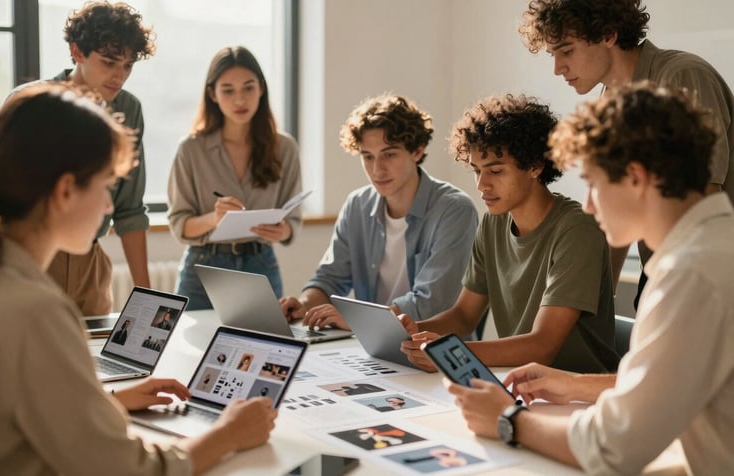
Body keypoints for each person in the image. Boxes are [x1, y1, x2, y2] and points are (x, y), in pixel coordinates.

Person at [0, 83, 277, 474]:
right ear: (65, 191)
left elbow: (14, 416)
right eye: (106, 186)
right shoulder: (35, 309)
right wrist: (229, 434)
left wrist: (104, 403)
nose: (109, 205)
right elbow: (127, 470)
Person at [445, 83, 734, 475]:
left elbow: (613, 449)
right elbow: (672, 388)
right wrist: (576, 384)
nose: (589, 204)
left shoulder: (691, 275)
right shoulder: (713, 246)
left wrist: (509, 420)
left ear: (636, 177)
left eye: (594, 184)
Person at [519, 0, 734, 305]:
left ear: (608, 34)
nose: (558, 69)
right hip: (666, 266)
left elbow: (702, 195)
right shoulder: (612, 99)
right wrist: (598, 301)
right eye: (553, 55)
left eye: (566, 51)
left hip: (704, 272)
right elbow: (616, 210)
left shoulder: (681, 76)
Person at [400, 94, 619, 373]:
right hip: (519, 382)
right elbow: (464, 315)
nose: (481, 185)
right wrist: (411, 333)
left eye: (495, 171)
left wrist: (449, 352)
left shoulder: (577, 230)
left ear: (535, 167)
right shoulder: (493, 223)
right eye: (476, 171)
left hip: (577, 393)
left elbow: (543, 346)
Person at [279, 94, 478, 330]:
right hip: (371, 347)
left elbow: (432, 302)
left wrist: (359, 320)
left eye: (389, 154)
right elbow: (330, 279)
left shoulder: (455, 210)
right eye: (367, 157)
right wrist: (304, 304)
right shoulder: (357, 205)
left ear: (417, 150)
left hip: (431, 351)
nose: (377, 169)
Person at [10, 1, 155, 316]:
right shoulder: (30, 103)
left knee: (94, 362)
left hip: (89, 263)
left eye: (128, 65)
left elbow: (129, 208)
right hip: (33, 258)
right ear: (77, 52)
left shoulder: (128, 111)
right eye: (108, 62)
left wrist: (146, 299)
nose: (119, 76)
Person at [168, 46, 302, 310]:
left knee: (266, 348)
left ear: (261, 88)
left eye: (248, 88)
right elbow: (179, 225)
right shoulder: (191, 149)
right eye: (228, 90)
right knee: (190, 348)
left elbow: (293, 221)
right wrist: (214, 218)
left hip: (260, 262)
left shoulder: (284, 147)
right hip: (203, 267)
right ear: (212, 94)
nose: (240, 100)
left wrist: (282, 229)